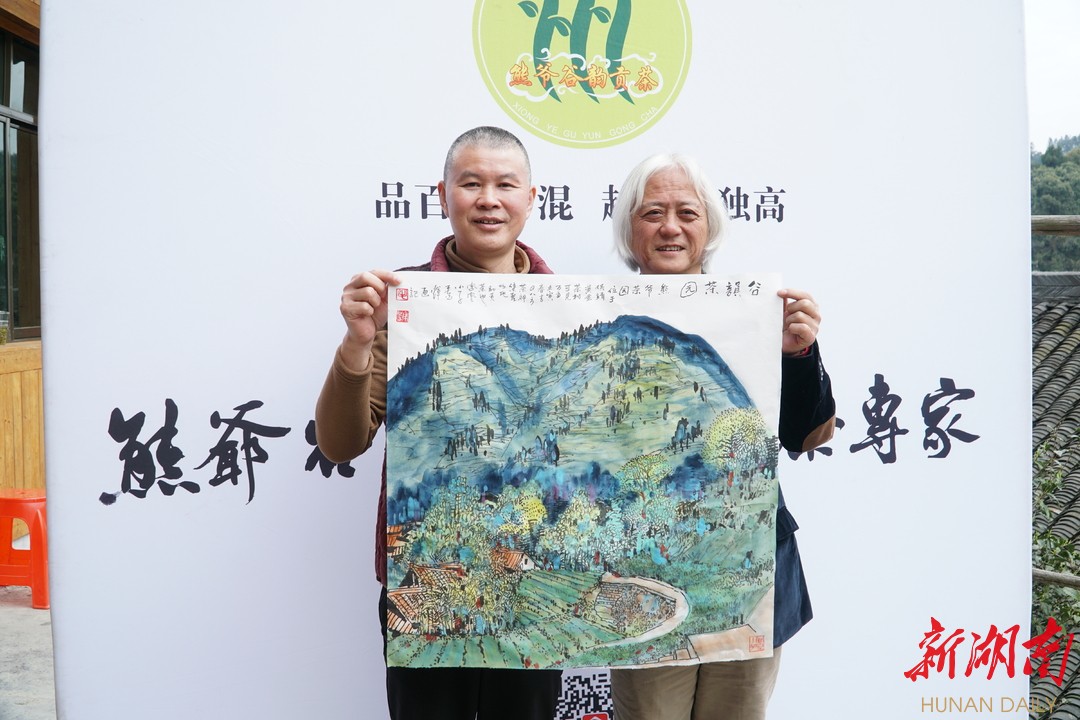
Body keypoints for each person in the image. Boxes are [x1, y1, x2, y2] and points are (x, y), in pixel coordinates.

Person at [314, 126, 562, 720]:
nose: (488, 199)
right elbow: (340, 444)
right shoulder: (401, 301)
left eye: (506, 185)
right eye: (470, 183)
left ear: (533, 198)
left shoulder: (566, 305)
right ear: (442, 194)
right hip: (424, 578)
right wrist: (357, 343)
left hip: (533, 582)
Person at [608, 153, 836, 720]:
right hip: (645, 573)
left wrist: (799, 354)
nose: (670, 227)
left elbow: (806, 436)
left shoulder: (753, 315)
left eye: (687, 213)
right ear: (629, 230)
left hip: (753, 570)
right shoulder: (601, 319)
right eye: (652, 213)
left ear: (709, 227)